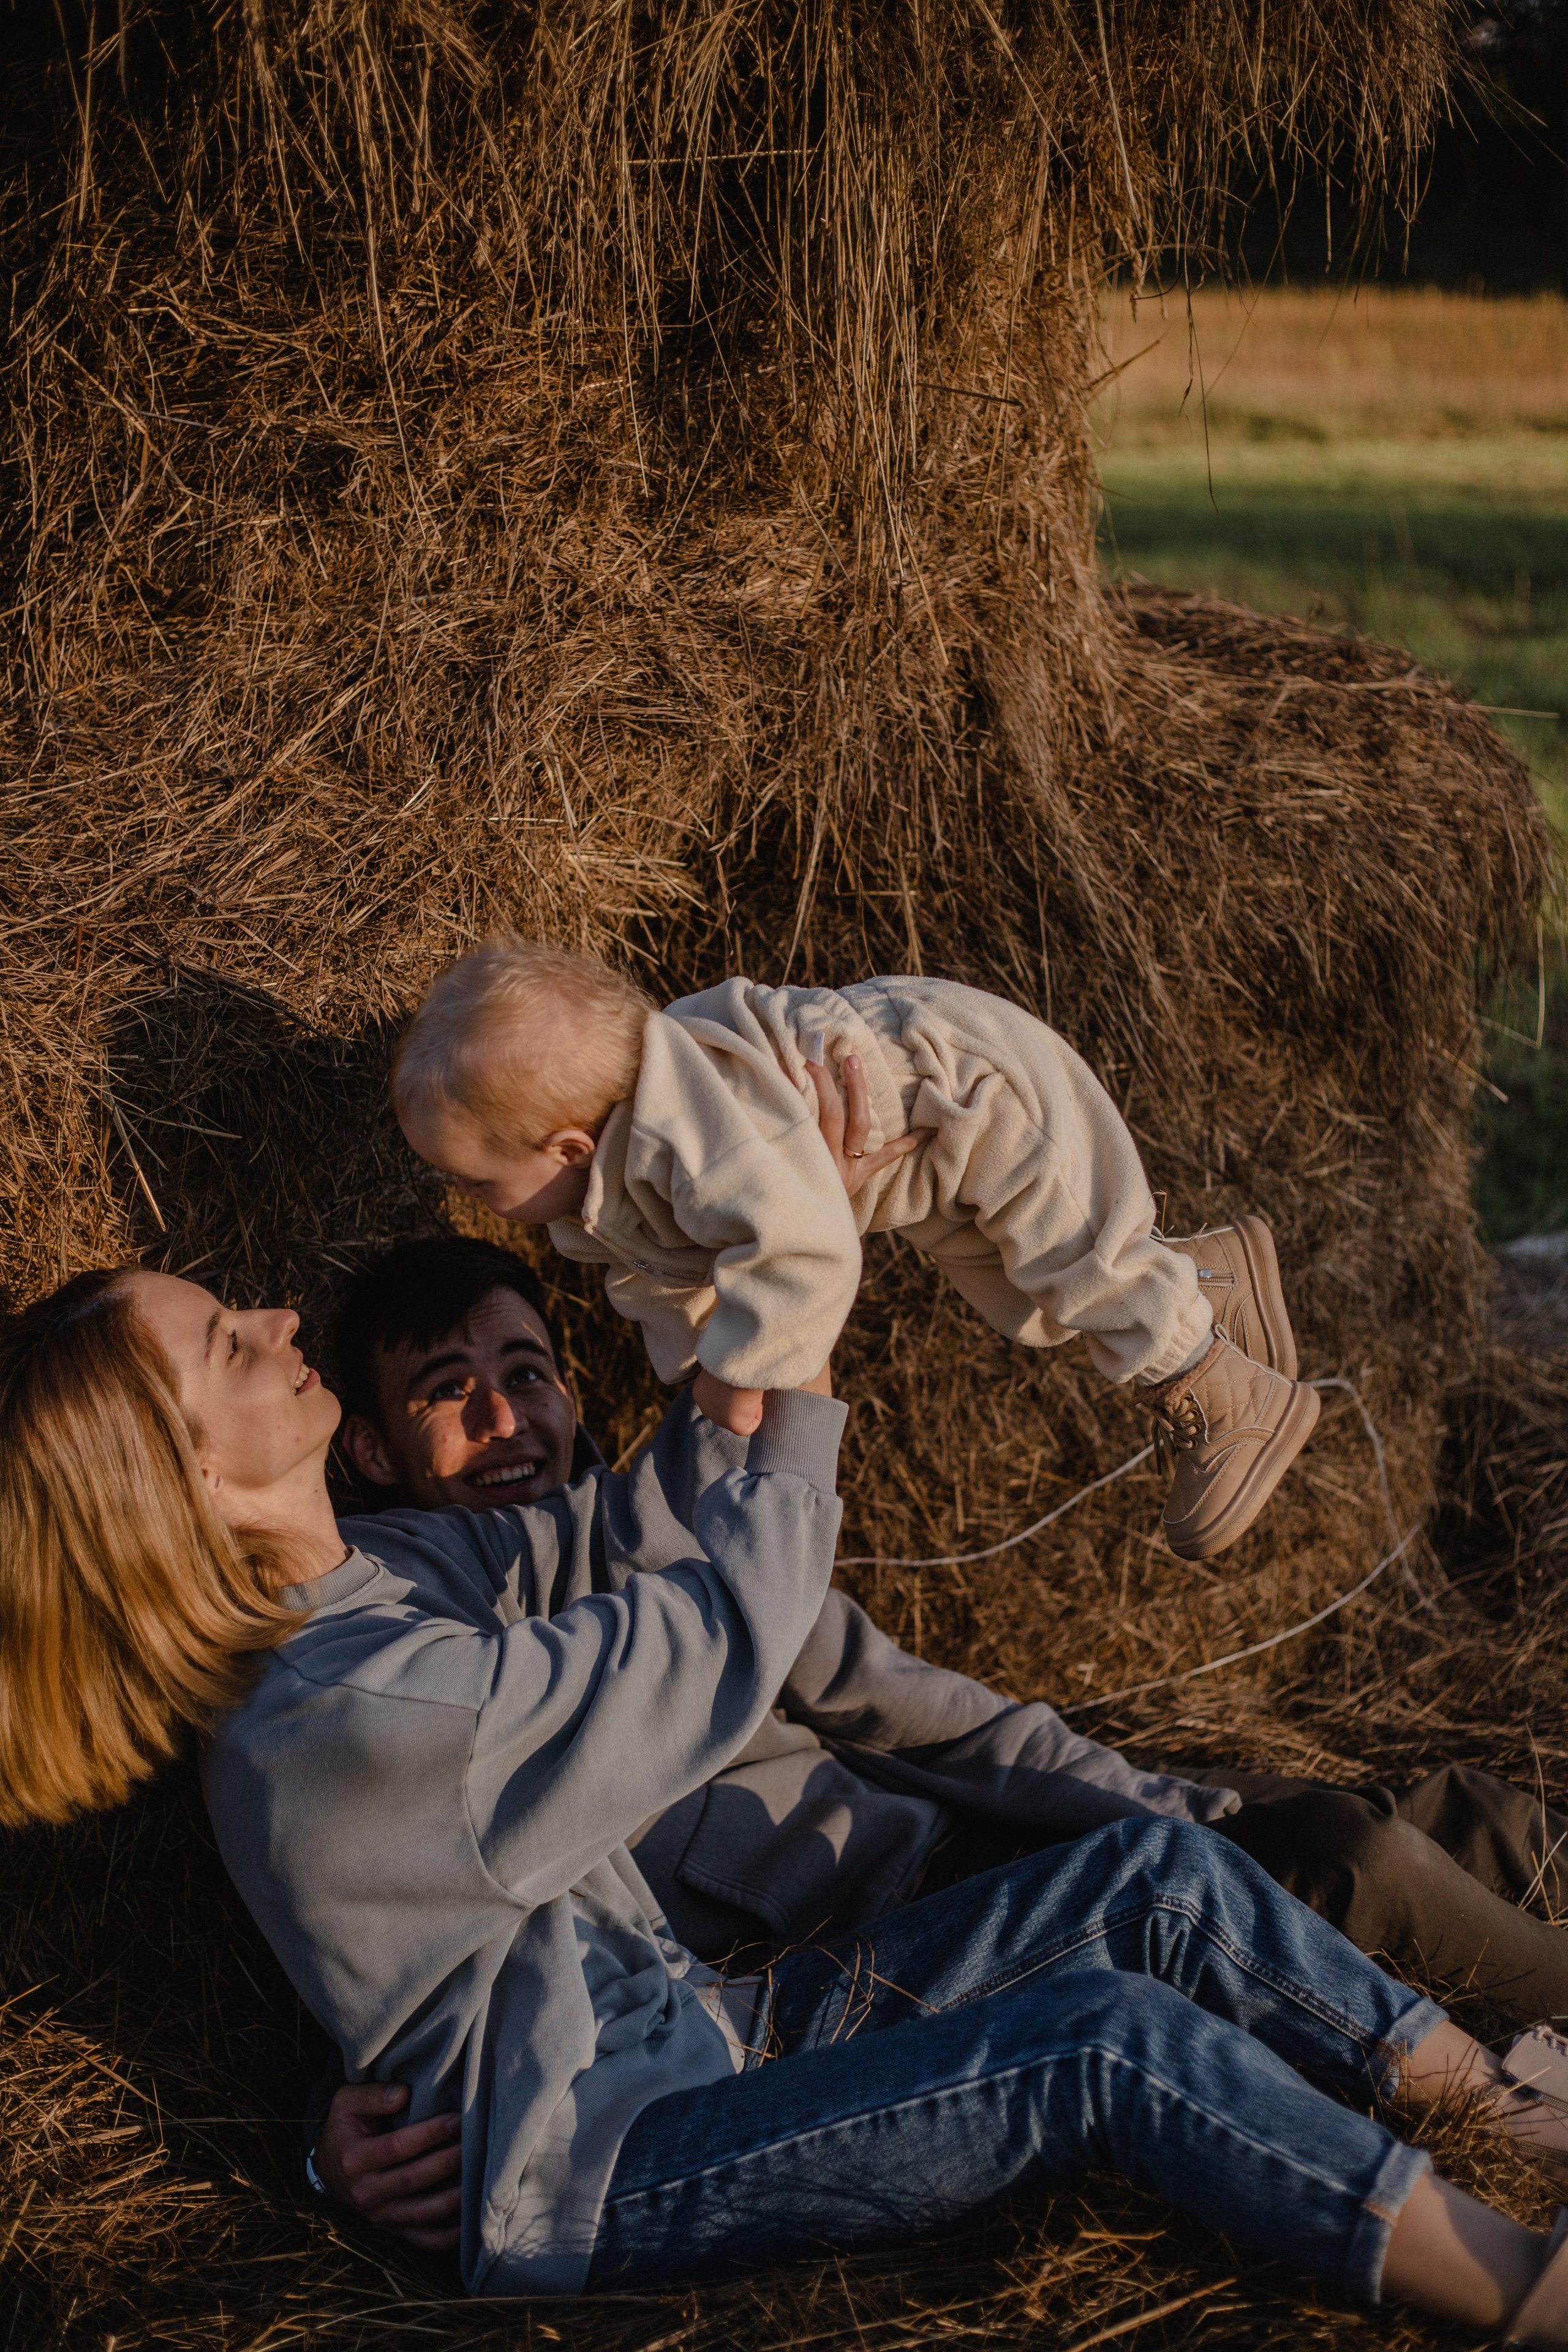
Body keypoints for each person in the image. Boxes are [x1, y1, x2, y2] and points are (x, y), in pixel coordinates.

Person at [6, 1274, 1568, 2332]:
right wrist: (802, 1384)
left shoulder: (349, 1611)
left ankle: (1507, 2115)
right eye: (226, 1340)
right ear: (190, 1479)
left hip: (710, 2027)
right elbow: (712, 1636)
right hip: (618, 2162)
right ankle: (1516, 2289)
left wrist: (743, 1291)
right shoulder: (351, 1708)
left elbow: (621, 1534)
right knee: (1102, 2041)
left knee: (1156, 1871)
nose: (273, 1314)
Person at [391, 937, 1320, 1560]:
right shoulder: (598, 1200)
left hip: (960, 1089)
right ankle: (1207, 1275)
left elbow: (803, 1261)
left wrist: (732, 1385)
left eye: (475, 1181)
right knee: (1024, 1304)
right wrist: (706, 1381)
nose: (464, 1198)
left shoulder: (695, 1138)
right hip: (913, 1172)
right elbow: (666, 1280)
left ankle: (1218, 1388)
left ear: (568, 1150)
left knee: (1078, 1264)